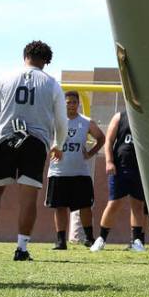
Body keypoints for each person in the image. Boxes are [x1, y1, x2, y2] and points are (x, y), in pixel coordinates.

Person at [0, 41, 67, 261]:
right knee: (28, 199)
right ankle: (21, 248)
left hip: (5, 138)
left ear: (24, 55)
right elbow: (61, 120)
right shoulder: (52, 84)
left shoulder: (5, 78)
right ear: (46, 61)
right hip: (35, 143)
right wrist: (59, 144)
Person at [47, 91, 105, 250]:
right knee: (59, 206)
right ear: (63, 104)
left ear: (78, 104)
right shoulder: (55, 121)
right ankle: (60, 241)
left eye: (74, 102)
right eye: (68, 102)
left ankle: (89, 238)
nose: (71, 105)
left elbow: (101, 138)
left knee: (85, 206)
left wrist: (91, 153)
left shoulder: (86, 122)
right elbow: (43, 135)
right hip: (58, 171)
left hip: (80, 172)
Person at [92, 111, 147, 253]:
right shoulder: (120, 116)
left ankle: (137, 241)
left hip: (140, 168)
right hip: (120, 167)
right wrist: (109, 161)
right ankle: (101, 239)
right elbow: (109, 141)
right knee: (114, 203)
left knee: (138, 204)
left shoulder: (148, 116)